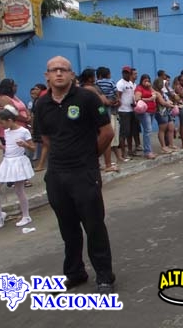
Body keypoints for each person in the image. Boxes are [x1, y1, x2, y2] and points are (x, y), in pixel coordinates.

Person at [35, 55, 116, 294]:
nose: (59, 73)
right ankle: (75, 273)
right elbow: (46, 138)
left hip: (84, 173)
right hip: (57, 176)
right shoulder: (41, 104)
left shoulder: (87, 98)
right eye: (54, 70)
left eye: (64, 69)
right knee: (68, 228)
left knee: (94, 225)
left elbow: (107, 132)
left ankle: (104, 276)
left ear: (72, 75)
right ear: (47, 76)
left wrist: (89, 157)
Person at [0, 106, 35, 228]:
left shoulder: (23, 131)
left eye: (2, 122)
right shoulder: (7, 132)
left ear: (9, 120)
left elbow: (33, 148)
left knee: (19, 190)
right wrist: (2, 147)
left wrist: (24, 145)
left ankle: (26, 216)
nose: (0, 125)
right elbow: (10, 147)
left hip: (18, 162)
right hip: (6, 162)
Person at [134, 74, 158, 159]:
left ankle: (149, 150)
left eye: (148, 81)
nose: (147, 82)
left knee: (148, 131)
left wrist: (150, 87)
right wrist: (149, 99)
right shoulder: (139, 88)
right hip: (145, 112)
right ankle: (147, 151)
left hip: (152, 110)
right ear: (141, 81)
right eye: (145, 81)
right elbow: (137, 98)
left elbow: (155, 93)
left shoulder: (149, 88)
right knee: (148, 130)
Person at [116, 66, 136, 158]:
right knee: (124, 132)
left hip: (131, 110)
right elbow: (118, 96)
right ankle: (123, 153)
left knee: (130, 132)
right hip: (123, 111)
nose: (126, 74)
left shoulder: (131, 83)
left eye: (127, 73)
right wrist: (119, 105)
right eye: (124, 72)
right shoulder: (120, 83)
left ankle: (130, 151)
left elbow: (132, 96)